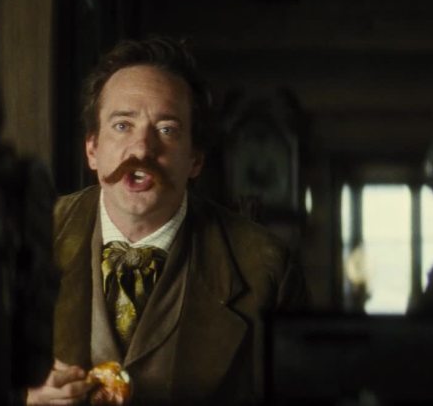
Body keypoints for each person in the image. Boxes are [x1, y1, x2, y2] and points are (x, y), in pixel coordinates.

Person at [27, 37, 309, 405]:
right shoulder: (24, 237)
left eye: (166, 130)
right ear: (92, 149)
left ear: (195, 160)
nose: (142, 149)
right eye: (122, 126)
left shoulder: (268, 269)